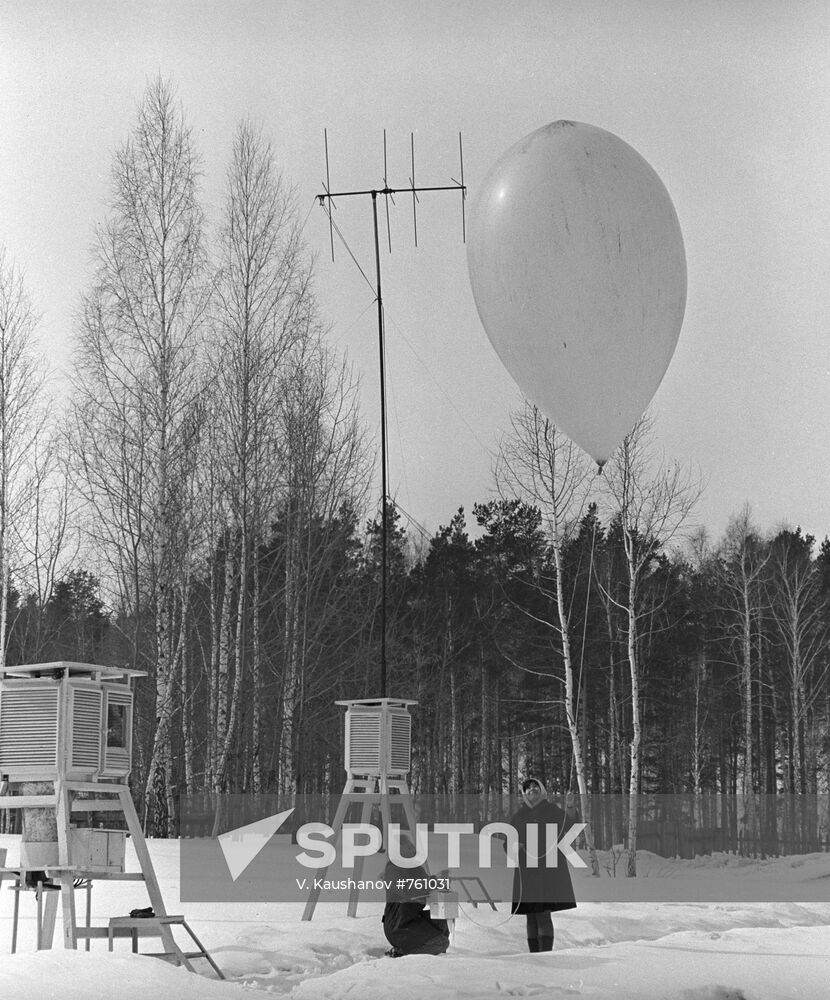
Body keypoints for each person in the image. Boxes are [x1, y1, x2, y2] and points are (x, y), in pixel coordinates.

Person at [510, 776, 578, 953]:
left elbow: (570, 825)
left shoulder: (551, 810)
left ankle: (546, 954)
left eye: (535, 787)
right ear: (524, 794)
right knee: (530, 916)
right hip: (526, 871)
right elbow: (508, 840)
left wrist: (570, 806)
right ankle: (534, 955)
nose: (532, 790)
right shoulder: (519, 816)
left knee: (543, 914)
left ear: (542, 790)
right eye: (528, 788)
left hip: (547, 870)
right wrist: (514, 846)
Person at [382, 839, 450, 957]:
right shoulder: (392, 869)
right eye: (408, 849)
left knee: (441, 925)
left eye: (412, 848)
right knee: (441, 943)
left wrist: (440, 884)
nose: (412, 851)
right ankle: (402, 953)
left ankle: (435, 958)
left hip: (413, 918)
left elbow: (426, 886)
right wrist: (430, 883)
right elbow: (407, 890)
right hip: (398, 924)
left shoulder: (417, 869)